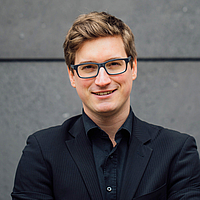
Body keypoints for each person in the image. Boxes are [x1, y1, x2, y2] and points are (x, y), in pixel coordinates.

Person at [11, 11, 200, 200]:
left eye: (114, 64)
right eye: (88, 67)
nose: (102, 80)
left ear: (133, 67)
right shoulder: (42, 152)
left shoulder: (177, 151)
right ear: (72, 75)